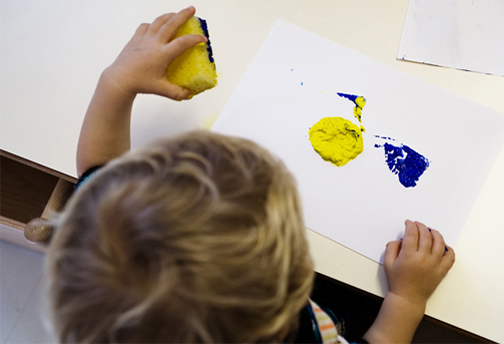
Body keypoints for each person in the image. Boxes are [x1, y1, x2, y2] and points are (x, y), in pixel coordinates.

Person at [43, 6, 455, 343]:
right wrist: (405, 301)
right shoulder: (296, 336)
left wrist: (117, 83)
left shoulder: (109, 233)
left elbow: (100, 171)